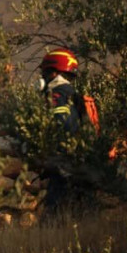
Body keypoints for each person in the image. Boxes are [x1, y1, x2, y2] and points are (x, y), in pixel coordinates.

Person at [36, 48, 81, 211]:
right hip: (75, 155)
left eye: (45, 73)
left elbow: (62, 122)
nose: (43, 77)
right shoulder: (71, 93)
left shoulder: (58, 94)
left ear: (54, 73)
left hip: (64, 158)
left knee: (55, 204)